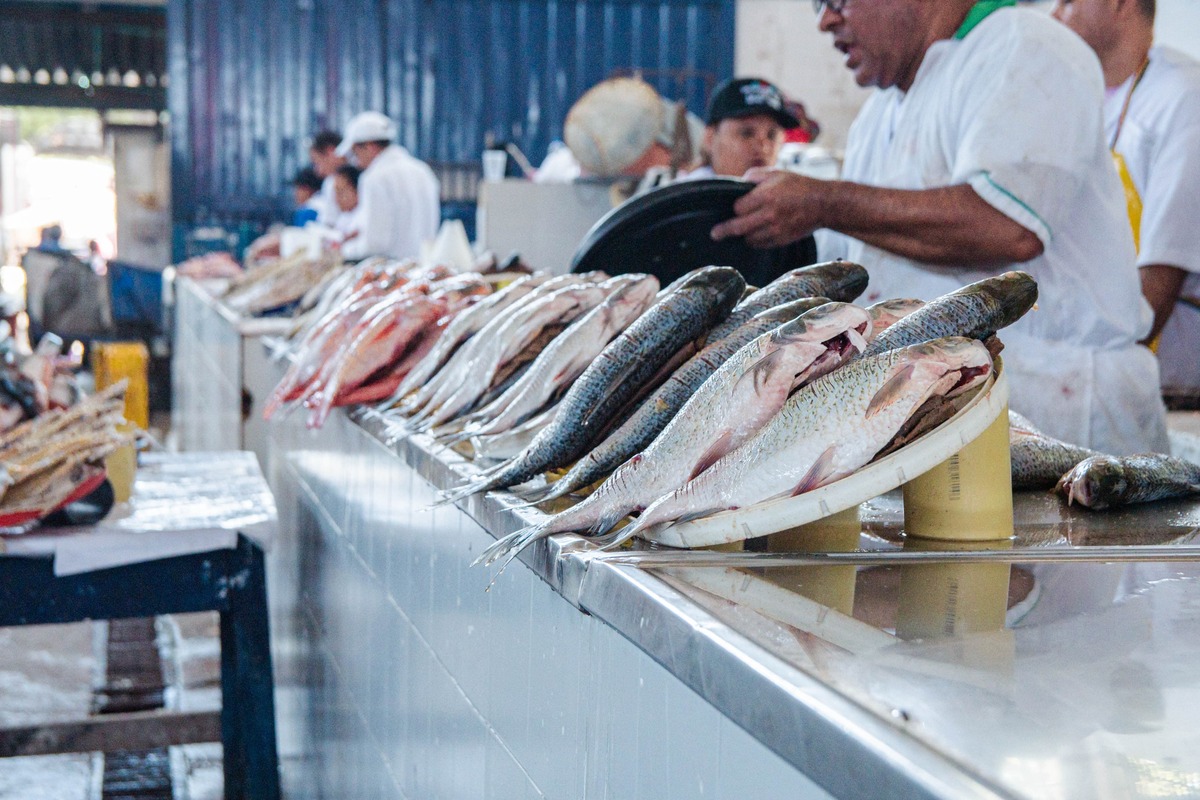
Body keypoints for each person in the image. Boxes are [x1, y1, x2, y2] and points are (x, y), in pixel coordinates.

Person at [711, 0, 1167, 455]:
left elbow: (1006, 226)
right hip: (947, 414)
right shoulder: (879, 114)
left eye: (836, 1)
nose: (825, 20)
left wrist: (822, 202)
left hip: (1062, 413)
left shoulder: (1026, 48)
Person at [1052, 0, 1200, 405]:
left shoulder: (1182, 99)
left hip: (1176, 395)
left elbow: (1155, 290)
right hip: (1122, 372)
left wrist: (1081, 386)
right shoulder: (1096, 100)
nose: (1054, 15)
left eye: (1067, 2)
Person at [336, 111, 440, 262]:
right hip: (424, 266)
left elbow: (375, 243)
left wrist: (344, 250)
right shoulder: (422, 170)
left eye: (355, 153)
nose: (356, 161)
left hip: (391, 272)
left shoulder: (375, 178)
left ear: (369, 146)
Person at [682, 77, 803, 180]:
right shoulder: (683, 199)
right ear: (710, 138)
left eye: (772, 135)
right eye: (746, 134)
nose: (763, 147)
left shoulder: (788, 199)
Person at [309, 130, 346, 225]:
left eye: (317, 162)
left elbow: (330, 224)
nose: (318, 172)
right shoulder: (330, 182)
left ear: (330, 151)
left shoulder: (364, 176)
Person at [331, 163, 363, 242]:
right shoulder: (344, 217)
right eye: (336, 193)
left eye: (341, 192)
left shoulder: (365, 217)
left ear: (357, 191)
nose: (337, 199)